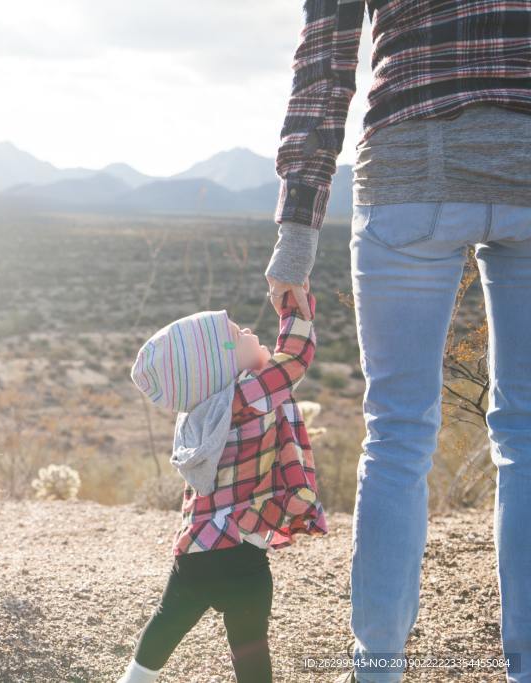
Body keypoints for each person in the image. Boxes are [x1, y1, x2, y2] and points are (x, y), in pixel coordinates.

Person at [264, 2, 531, 682]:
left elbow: (324, 63)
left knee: (397, 435)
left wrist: (296, 237)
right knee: (529, 437)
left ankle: (376, 669)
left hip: (410, 164)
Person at [118, 288, 327, 682]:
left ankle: (134, 679)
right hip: (243, 554)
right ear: (222, 363)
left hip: (196, 550)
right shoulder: (248, 393)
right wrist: (291, 306)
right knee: (249, 643)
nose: (247, 329)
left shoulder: (198, 412)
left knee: (167, 622)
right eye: (236, 331)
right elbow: (296, 357)